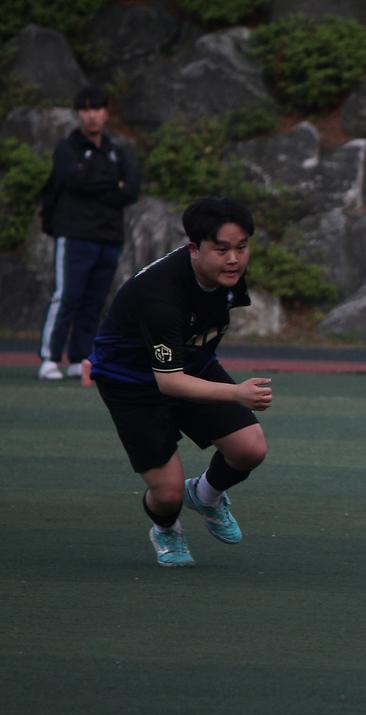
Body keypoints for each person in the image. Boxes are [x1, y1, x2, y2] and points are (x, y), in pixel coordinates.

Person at [88, 198, 272, 567]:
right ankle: (166, 527)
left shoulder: (227, 275)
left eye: (241, 247)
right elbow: (170, 383)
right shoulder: (159, 298)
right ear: (194, 249)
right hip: (131, 382)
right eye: (221, 249)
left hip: (190, 364)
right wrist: (236, 393)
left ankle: (205, 495)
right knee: (168, 494)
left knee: (249, 449)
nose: (234, 259)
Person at [38, 85, 140, 382]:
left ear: (106, 113)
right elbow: (73, 180)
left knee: (94, 302)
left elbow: (131, 189)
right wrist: (112, 185)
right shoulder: (66, 148)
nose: (91, 115)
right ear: (78, 114)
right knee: (67, 297)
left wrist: (95, 182)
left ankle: (80, 358)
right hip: (75, 234)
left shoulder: (116, 152)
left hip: (109, 237)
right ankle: (50, 358)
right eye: (85, 110)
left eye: (96, 109)